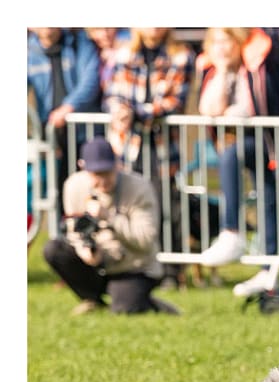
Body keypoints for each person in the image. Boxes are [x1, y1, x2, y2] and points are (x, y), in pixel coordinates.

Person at [196, 28, 279, 298]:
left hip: (267, 141)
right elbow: (208, 109)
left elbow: (251, 108)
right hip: (235, 143)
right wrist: (223, 72)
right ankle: (239, 241)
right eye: (216, 42)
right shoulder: (213, 72)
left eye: (227, 41)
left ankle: (244, 243)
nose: (222, 48)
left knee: (268, 198)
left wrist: (231, 113)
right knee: (260, 190)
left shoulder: (260, 65)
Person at [43, 137, 179, 316]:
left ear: (118, 165)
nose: (103, 180)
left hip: (133, 265)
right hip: (97, 262)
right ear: (83, 167)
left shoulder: (139, 187)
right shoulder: (74, 186)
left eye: (107, 172)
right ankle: (93, 299)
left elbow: (145, 240)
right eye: (96, 174)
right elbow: (73, 229)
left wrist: (109, 217)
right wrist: (85, 250)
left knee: (125, 309)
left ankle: (149, 303)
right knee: (54, 249)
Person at [103, 27, 195, 289]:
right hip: (129, 146)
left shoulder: (181, 56)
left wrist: (136, 112)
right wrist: (120, 110)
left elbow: (174, 103)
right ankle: (133, 267)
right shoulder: (124, 55)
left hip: (162, 147)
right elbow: (113, 94)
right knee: (129, 205)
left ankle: (170, 271)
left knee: (166, 205)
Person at [27, 28, 102, 233]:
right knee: (57, 194)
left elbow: (90, 80)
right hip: (53, 138)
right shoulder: (28, 51)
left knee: (89, 192)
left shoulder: (79, 42)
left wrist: (68, 107)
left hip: (85, 133)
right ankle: (62, 240)